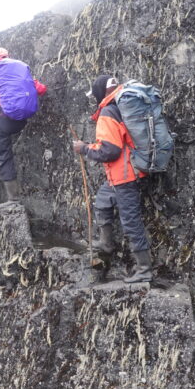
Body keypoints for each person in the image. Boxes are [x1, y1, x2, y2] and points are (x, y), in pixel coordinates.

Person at [72, 75, 153, 283]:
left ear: (101, 92)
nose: (94, 99)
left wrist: (85, 149)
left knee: (131, 221)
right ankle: (106, 243)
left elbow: (110, 151)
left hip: (124, 176)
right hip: (120, 175)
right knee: (102, 201)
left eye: (95, 95)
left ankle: (144, 269)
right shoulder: (120, 106)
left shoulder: (108, 112)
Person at [0, 48, 47, 208]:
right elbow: (41, 89)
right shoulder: (19, 74)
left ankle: (13, 199)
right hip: (21, 120)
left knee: (3, 156)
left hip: (1, 119)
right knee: (5, 144)